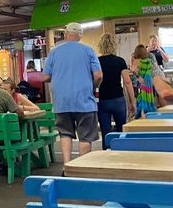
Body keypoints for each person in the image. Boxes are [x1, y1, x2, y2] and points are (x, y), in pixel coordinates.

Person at [42, 22, 102, 163]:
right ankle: (82, 167)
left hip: (61, 101)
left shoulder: (54, 52)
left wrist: (59, 76)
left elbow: (44, 77)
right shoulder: (88, 51)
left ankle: (67, 166)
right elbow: (98, 75)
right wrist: (93, 86)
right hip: (84, 100)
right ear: (80, 35)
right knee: (85, 136)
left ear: (65, 34)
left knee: (65, 134)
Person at [97, 33, 136, 148]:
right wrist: (132, 101)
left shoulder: (96, 62)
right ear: (114, 45)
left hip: (102, 100)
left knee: (105, 131)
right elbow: (127, 82)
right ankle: (120, 150)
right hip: (118, 99)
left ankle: (106, 152)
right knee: (121, 128)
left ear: (100, 45)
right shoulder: (120, 61)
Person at [130, 44, 160, 118]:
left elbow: (132, 70)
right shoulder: (148, 60)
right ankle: (149, 114)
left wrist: (138, 76)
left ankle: (142, 114)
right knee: (148, 97)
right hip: (149, 82)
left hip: (142, 82)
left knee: (141, 97)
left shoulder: (137, 61)